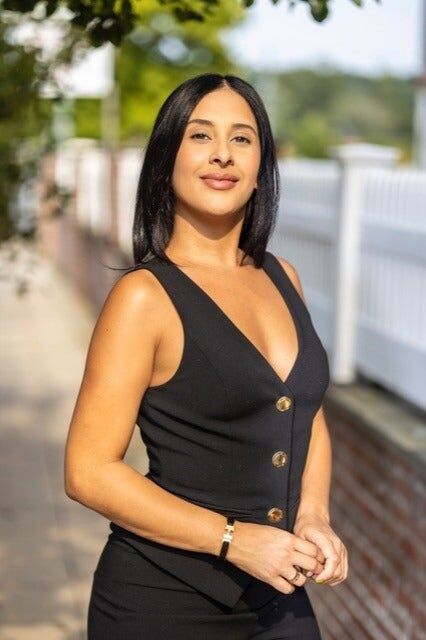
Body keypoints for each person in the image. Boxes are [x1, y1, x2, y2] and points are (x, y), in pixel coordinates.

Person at [64, 72, 348, 639]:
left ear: (261, 164)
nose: (223, 154)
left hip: (278, 595)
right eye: (200, 136)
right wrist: (233, 539)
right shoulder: (144, 297)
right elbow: (88, 471)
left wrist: (313, 514)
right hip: (161, 605)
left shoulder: (283, 276)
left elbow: (306, 413)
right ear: (167, 158)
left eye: (242, 138)